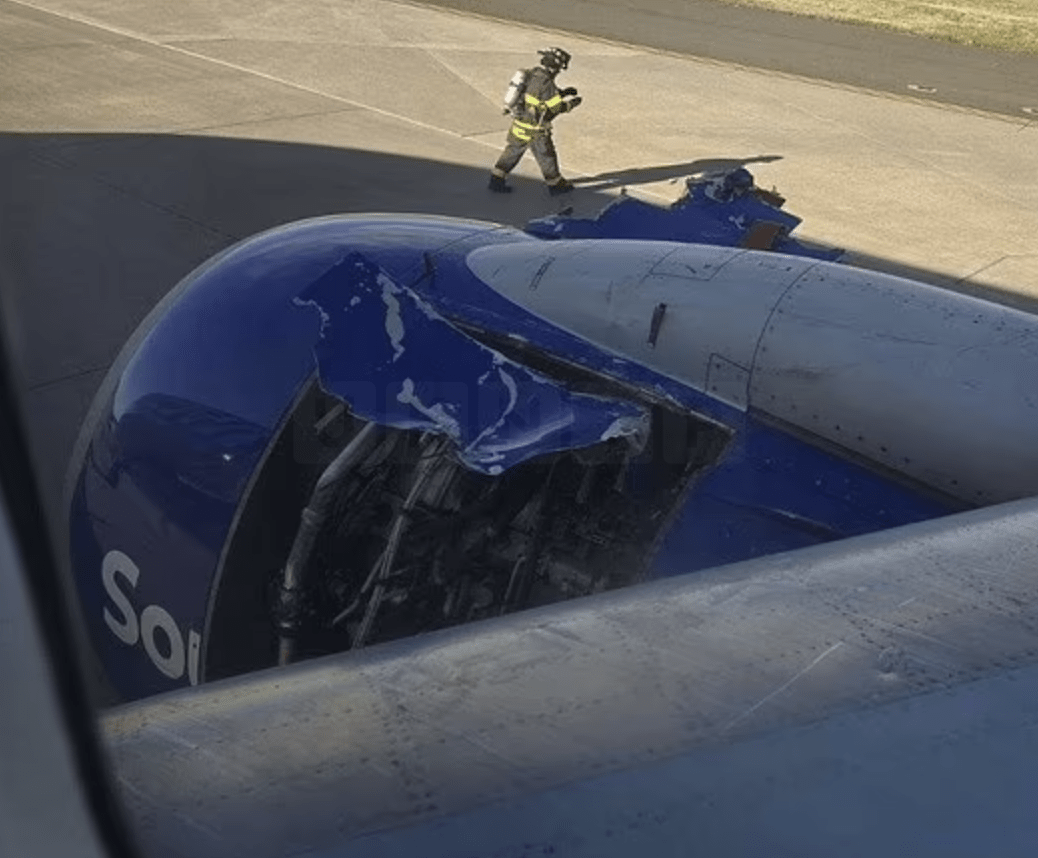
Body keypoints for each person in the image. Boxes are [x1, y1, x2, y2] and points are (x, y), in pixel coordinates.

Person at [489, 47, 582, 195]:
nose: (559, 72)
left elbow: (539, 98)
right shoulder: (547, 83)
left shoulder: (532, 74)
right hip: (535, 129)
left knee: (512, 152)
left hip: (519, 123)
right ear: (555, 67)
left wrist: (564, 92)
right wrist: (572, 104)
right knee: (546, 156)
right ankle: (556, 185)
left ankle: (496, 179)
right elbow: (555, 107)